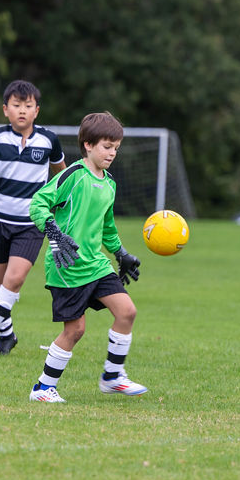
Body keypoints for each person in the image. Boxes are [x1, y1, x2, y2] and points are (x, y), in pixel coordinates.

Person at [26, 111, 146, 404]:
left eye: (116, 148)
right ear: (88, 145)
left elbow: (107, 227)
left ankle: (112, 377)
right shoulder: (73, 175)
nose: (112, 153)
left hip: (96, 264)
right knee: (75, 330)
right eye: (107, 146)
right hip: (66, 265)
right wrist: (53, 231)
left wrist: (120, 253)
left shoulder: (109, 184)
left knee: (127, 311)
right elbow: (38, 203)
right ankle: (42, 389)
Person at [0, 80, 67, 357]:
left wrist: (59, 207)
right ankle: (7, 336)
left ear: (37, 111)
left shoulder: (48, 140)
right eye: (16, 106)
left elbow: (62, 176)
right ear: (5, 109)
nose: (22, 111)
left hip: (31, 226)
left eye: (28, 106)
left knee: (15, 279)